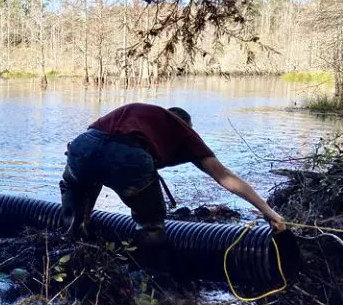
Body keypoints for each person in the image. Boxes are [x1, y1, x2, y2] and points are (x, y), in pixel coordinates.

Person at [59, 103, 286, 259]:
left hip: (83, 145)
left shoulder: (138, 115)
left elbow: (98, 152)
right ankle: (155, 281)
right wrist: (267, 210)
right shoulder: (183, 132)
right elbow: (224, 176)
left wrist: (84, 209)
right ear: (187, 125)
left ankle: (71, 249)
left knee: (73, 187)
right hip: (128, 157)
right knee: (151, 224)